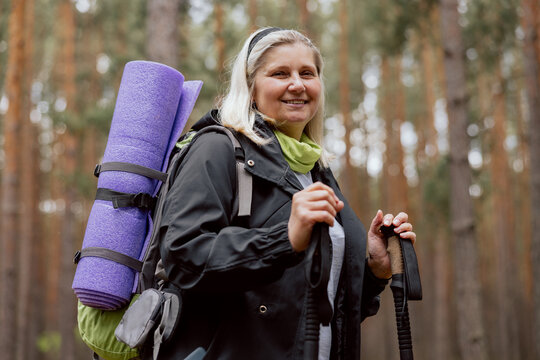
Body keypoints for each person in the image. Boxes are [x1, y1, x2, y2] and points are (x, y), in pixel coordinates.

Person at [153, 27, 416, 360]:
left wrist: (374, 270)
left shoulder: (315, 170)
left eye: (308, 73)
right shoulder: (217, 148)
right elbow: (183, 257)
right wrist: (284, 240)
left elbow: (323, 309)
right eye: (280, 73)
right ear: (250, 88)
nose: (298, 84)